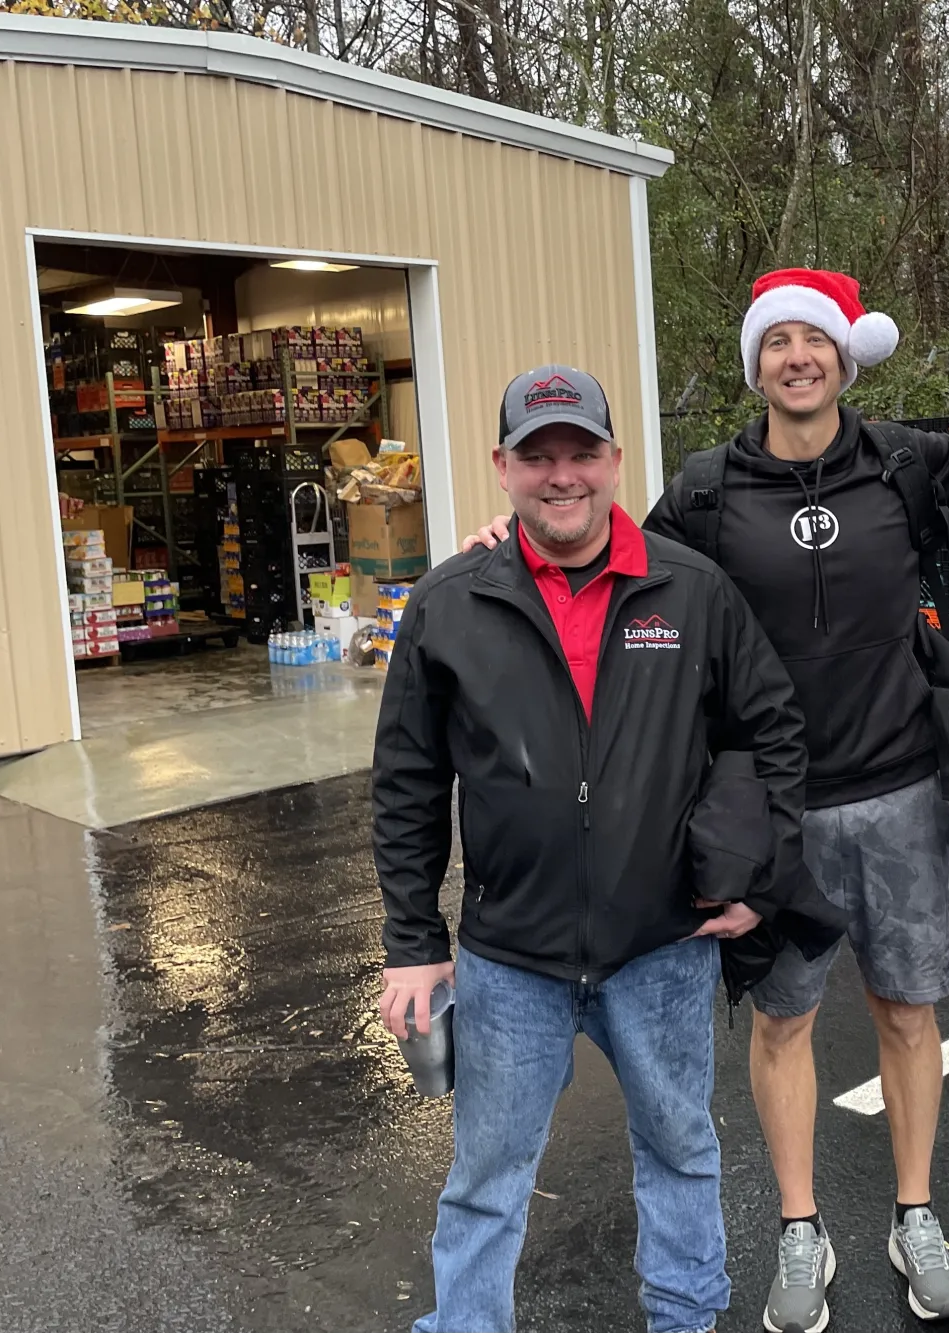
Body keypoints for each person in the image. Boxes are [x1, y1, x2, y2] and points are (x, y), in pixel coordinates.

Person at [462, 270, 949, 1330]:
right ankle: (801, 1226)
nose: (795, 357)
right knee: (784, 1019)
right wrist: (512, 541)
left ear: (846, 357)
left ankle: (914, 1212)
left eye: (814, 340)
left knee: (906, 1011)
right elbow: (608, 555)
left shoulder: (909, 463)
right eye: (775, 342)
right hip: (774, 808)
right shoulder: (708, 490)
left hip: (901, 790)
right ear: (754, 363)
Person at [372, 363, 837, 1333]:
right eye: (536, 455)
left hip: (660, 949)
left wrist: (759, 875)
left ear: (616, 460)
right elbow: (409, 779)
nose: (561, 475)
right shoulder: (449, 603)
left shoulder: (692, 590)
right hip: (508, 960)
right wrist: (412, 939)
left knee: (678, 1152)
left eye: (580, 452)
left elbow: (774, 729)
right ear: (501, 466)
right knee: (486, 1179)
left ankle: (684, 1319)